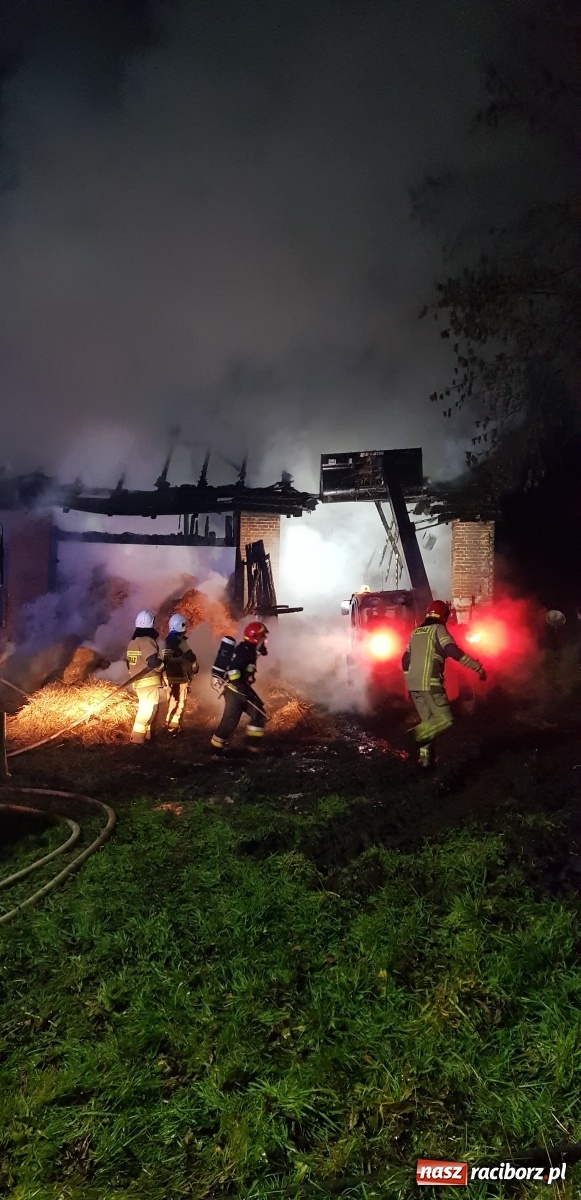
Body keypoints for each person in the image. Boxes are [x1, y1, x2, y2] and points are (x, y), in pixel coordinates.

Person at [402, 599, 486, 768]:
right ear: (444, 616)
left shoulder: (415, 633)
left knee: (429, 722)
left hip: (413, 686)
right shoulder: (438, 629)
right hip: (430, 684)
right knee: (445, 720)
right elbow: (452, 651)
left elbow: (405, 660)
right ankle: (414, 737)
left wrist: (410, 678)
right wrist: (477, 667)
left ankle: (425, 762)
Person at [210, 621, 268, 752]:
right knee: (230, 721)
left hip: (242, 690)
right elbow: (233, 672)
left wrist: (249, 677)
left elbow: (244, 669)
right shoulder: (244, 650)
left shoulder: (250, 651)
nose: (266, 641)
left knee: (259, 714)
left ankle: (252, 746)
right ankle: (215, 751)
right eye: (263, 637)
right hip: (235, 692)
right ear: (256, 638)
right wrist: (241, 690)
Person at [126, 610, 164, 745]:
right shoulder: (147, 641)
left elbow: (129, 664)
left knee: (149, 708)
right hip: (148, 681)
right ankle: (137, 739)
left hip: (138, 682)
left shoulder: (133, 642)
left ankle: (146, 737)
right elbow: (153, 662)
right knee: (146, 709)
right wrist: (163, 666)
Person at [162, 612, 199, 733]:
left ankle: (169, 724)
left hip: (168, 677)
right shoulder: (180, 641)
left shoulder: (165, 641)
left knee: (172, 701)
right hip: (180, 677)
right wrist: (194, 668)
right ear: (181, 625)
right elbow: (191, 657)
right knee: (179, 704)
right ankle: (172, 728)